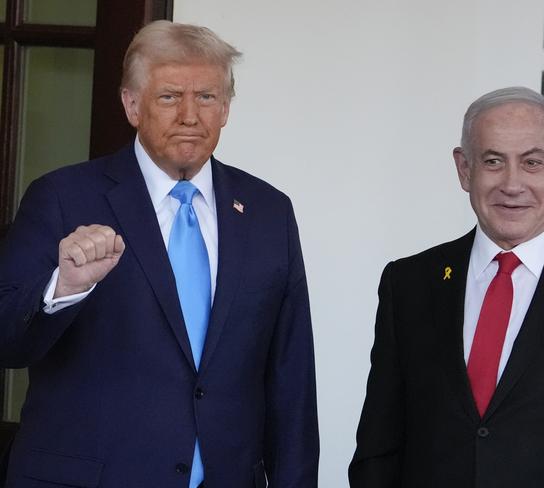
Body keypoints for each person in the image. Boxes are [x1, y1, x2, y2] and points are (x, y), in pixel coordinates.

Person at [0, 20, 318, 488]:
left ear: (226, 108)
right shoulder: (62, 197)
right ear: (132, 104)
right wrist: (63, 288)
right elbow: (7, 336)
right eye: (170, 96)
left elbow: (293, 382)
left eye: (207, 97)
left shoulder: (270, 212)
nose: (190, 115)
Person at [349, 86, 544, 487]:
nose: (512, 184)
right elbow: (378, 448)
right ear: (464, 169)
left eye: (531, 163)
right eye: (493, 161)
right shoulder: (409, 283)